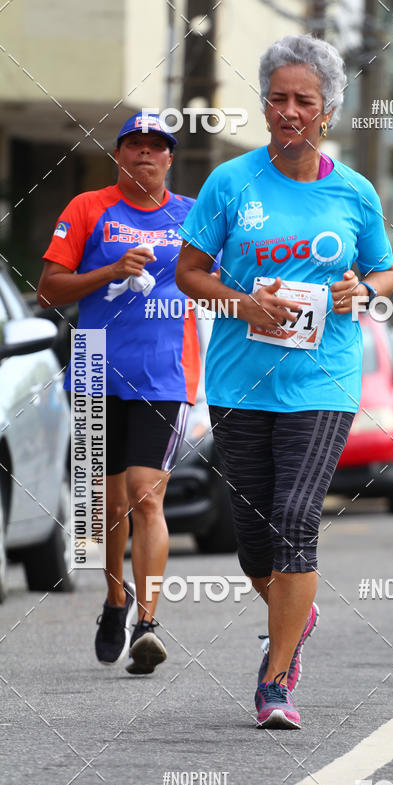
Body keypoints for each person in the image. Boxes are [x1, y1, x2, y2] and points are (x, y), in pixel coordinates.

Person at [176, 34, 393, 728]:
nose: (290, 111)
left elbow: (383, 273)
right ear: (265, 106)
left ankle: (276, 679)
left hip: (323, 378)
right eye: (279, 99)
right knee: (252, 540)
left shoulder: (354, 192)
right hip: (240, 381)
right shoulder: (230, 183)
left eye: (305, 100)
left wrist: (362, 291)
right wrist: (242, 304)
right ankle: (293, 610)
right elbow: (189, 272)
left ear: (328, 109)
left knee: (297, 518)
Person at [38, 112, 201, 674]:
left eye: (158, 147)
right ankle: (115, 600)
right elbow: (49, 291)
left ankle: (148, 623)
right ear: (119, 154)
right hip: (94, 367)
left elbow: (223, 280)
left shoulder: (191, 215)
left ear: (170, 160)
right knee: (108, 506)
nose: (146, 155)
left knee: (144, 495)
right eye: (135, 145)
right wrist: (107, 271)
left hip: (165, 373)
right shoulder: (87, 208)